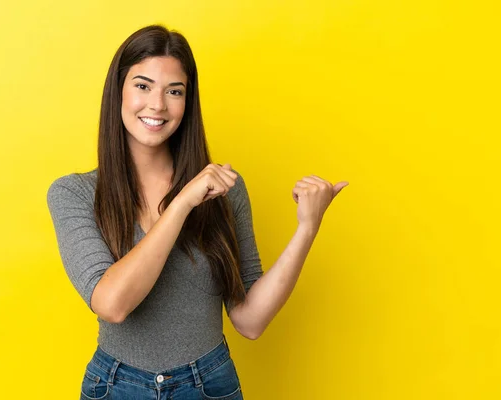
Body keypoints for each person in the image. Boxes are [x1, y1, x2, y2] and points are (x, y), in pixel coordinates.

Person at [47, 24, 348, 400]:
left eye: (174, 91)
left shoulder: (224, 191)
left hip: (209, 384)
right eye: (142, 86)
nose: (157, 104)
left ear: (188, 102)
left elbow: (250, 321)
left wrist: (307, 228)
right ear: (118, 92)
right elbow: (112, 304)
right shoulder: (73, 194)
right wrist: (183, 202)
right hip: (117, 386)